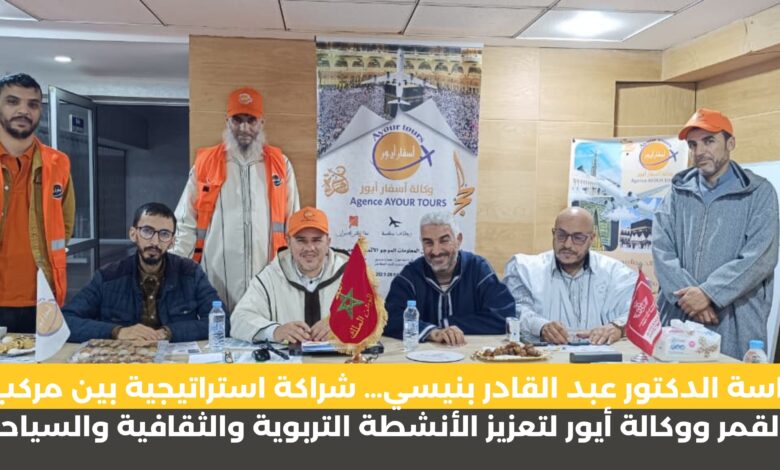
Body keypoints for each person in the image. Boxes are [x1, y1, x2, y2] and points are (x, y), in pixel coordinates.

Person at [652, 108, 778, 359]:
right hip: (679, 315)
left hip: (735, 318)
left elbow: (760, 257)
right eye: (693, 144)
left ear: (730, 143)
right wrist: (691, 299)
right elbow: (661, 249)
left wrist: (709, 294)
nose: (699, 151)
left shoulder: (759, 192)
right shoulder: (677, 192)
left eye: (709, 141)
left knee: (732, 383)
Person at [172, 86, 300, 312]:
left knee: (263, 327)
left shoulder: (280, 164)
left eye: (251, 120)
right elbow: (185, 223)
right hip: (215, 277)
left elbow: (294, 224)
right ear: (227, 121)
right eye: (237, 119)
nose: (244, 128)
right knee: (218, 330)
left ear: (262, 122)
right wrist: (173, 271)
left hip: (268, 274)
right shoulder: (206, 163)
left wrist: (294, 275)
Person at [63, 203, 221, 343]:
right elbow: (65, 321)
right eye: (147, 231)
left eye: (164, 234)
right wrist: (118, 332)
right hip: (124, 359)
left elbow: (220, 321)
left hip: (174, 359)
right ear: (133, 234)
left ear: (172, 241)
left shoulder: (191, 272)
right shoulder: (108, 276)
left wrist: (168, 333)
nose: (155, 242)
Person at [0, 73, 74, 333]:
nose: (24, 111)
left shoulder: (58, 163)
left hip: (43, 298)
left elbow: (65, 224)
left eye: (32, 104)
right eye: (12, 102)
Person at [503, 207, 637, 345]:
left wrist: (618, 327)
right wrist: (540, 327)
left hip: (601, 356)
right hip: (544, 357)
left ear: (592, 238)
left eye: (578, 238)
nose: (567, 244)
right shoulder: (525, 269)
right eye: (561, 235)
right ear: (553, 233)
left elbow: (638, 311)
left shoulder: (617, 273)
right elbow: (517, 310)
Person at [384, 211, 515, 346]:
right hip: (424, 355)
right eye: (428, 242)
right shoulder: (410, 275)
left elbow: (504, 315)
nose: (436, 251)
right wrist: (432, 332)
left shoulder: (478, 269)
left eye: (444, 240)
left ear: (458, 240)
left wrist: (447, 325)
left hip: (471, 353)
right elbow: (388, 318)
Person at [230, 207, 349, 343]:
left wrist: (343, 324)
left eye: (316, 240)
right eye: (301, 240)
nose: (309, 248)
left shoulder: (352, 275)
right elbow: (239, 320)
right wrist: (275, 331)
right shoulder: (271, 276)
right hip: (285, 357)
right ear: (288, 242)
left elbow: (370, 318)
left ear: (328, 242)